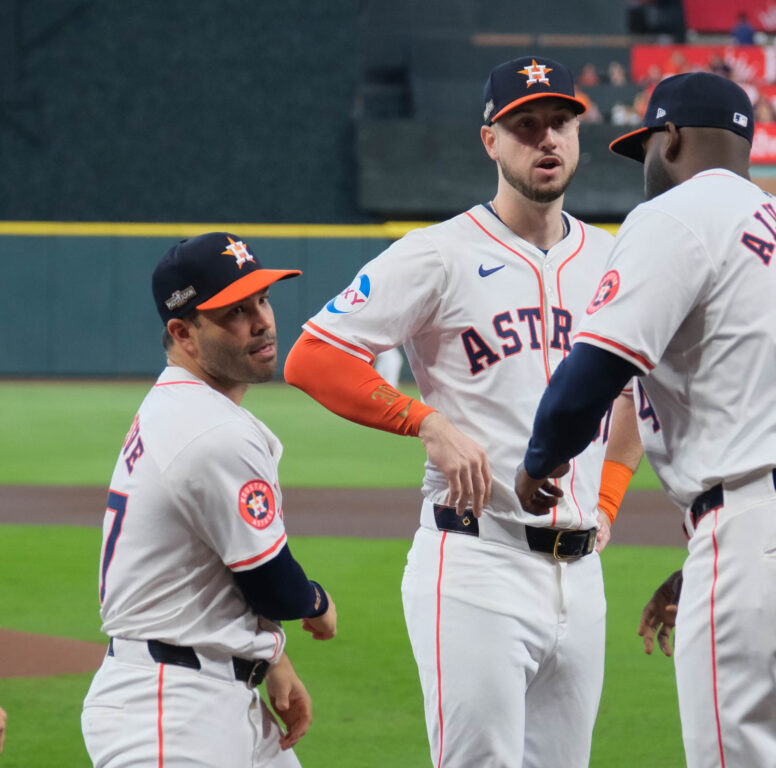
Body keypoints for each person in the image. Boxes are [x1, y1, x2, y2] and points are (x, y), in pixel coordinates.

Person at [515, 72, 776, 768]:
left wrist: (539, 461)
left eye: (647, 152)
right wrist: (710, 557)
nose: (647, 171)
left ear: (671, 138)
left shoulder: (676, 216)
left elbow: (594, 371)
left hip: (774, 538)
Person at [284, 56, 640, 768]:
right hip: (478, 561)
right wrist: (426, 423)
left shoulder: (615, 258)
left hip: (581, 576)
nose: (547, 139)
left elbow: (631, 394)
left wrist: (606, 502)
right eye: (526, 125)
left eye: (561, 123)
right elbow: (312, 359)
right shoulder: (437, 254)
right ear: (490, 142)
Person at [81, 233, 338, 768]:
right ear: (183, 332)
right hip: (169, 713)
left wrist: (270, 657)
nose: (262, 321)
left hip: (208, 690)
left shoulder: (181, 405)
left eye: (262, 300)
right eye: (235, 312)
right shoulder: (210, 430)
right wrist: (316, 602)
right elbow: (274, 586)